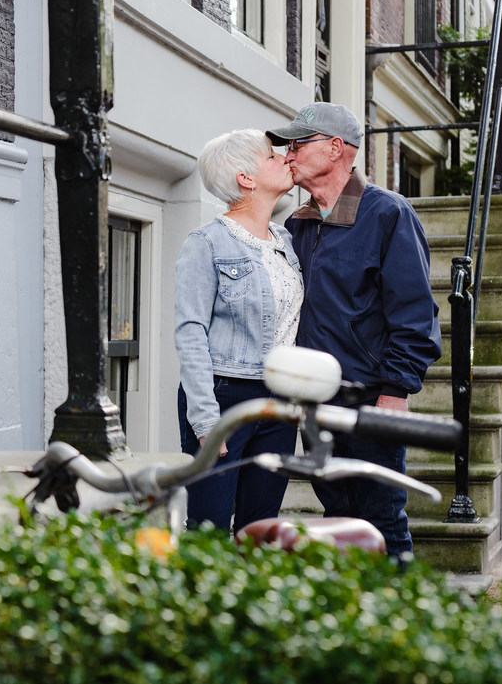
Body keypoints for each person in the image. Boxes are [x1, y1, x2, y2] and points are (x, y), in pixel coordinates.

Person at [265, 102, 441, 558]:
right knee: (337, 516)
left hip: (369, 400)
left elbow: (415, 315)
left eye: (299, 144)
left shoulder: (387, 214)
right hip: (314, 401)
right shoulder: (295, 225)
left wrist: (395, 392)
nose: (288, 155)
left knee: (382, 519)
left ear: (336, 149)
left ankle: (399, 620)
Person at [174, 128, 303, 532]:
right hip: (224, 398)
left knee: (261, 529)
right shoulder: (206, 243)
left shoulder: (285, 240)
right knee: (208, 529)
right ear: (246, 179)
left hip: (280, 405)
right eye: (272, 156)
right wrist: (205, 420)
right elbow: (190, 331)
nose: (285, 158)